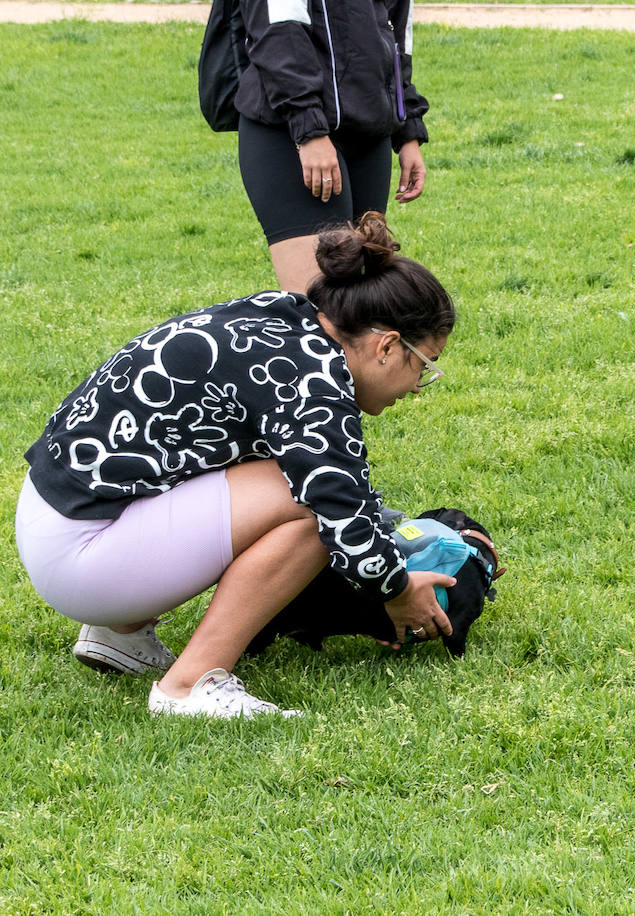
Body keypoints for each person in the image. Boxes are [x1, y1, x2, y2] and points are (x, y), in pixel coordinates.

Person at [15, 213, 456, 718]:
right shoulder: (314, 380)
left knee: (290, 477)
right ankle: (190, 684)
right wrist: (397, 591)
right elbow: (344, 518)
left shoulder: (285, 317)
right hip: (81, 554)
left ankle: (121, 633)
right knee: (310, 505)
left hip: (55, 517)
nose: (419, 387)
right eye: (424, 366)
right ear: (386, 346)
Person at [233, 0, 430, 293]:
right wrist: (308, 130)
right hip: (289, 129)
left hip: (369, 130)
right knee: (320, 301)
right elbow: (277, 31)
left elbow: (396, 32)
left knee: (363, 296)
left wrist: (407, 130)